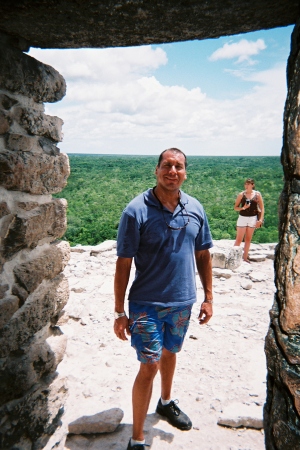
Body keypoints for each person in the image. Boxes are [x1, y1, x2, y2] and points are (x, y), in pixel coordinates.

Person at [113, 148, 213, 450]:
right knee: (149, 366)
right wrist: (119, 312)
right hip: (147, 304)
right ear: (156, 170)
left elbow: (204, 254)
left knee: (171, 353)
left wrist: (209, 297)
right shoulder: (136, 211)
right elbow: (123, 263)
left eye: (179, 167)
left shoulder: (195, 207)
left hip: (183, 302)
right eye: (167, 166)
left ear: (185, 172)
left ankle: (166, 403)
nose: (173, 171)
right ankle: (138, 438)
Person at [233, 178, 264, 263]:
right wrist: (243, 208)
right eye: (245, 184)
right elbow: (235, 207)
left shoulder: (257, 195)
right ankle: (234, 258)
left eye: (248, 184)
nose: (246, 186)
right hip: (242, 217)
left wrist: (260, 220)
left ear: (252, 185)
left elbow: (262, 208)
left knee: (248, 239)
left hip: (253, 218)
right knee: (239, 239)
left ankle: (245, 257)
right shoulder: (241, 195)